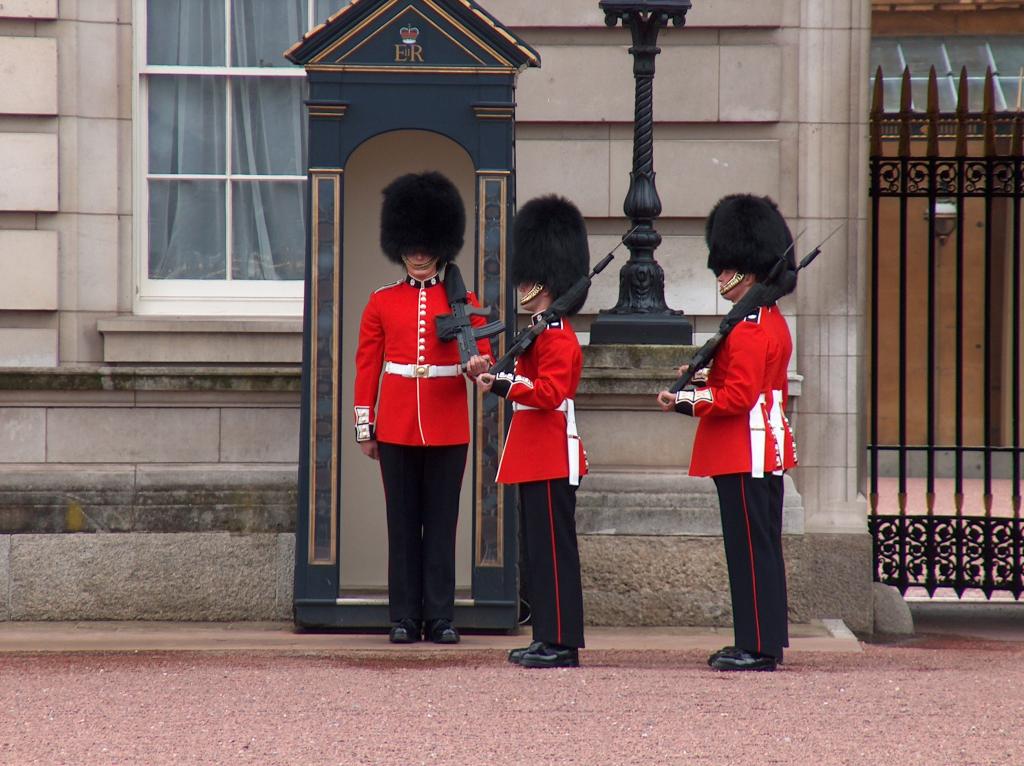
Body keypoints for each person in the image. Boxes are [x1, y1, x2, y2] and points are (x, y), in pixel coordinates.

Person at [657, 193, 799, 672]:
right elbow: (742, 383)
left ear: (748, 268)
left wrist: (684, 401)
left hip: (746, 449)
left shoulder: (751, 328)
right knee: (757, 550)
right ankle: (761, 640)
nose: (719, 276)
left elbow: (737, 398)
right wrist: (701, 378)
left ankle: (757, 647)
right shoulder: (760, 321)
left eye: (725, 268)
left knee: (750, 553)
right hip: (757, 447)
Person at [353, 171, 492, 645]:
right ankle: (404, 617)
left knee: (441, 524)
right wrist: (364, 428)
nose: (417, 253)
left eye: (425, 244)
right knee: (402, 523)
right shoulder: (381, 301)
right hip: (394, 426)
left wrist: (479, 365)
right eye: (410, 244)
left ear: (440, 244)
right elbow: (366, 369)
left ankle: (439, 615)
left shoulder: (463, 301)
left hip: (448, 425)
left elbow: (482, 359)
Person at [474, 195, 589, 669]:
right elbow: (519, 380)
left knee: (553, 554)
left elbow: (547, 392)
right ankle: (547, 635)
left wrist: (501, 382)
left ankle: (560, 642)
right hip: (533, 453)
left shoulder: (558, 336)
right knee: (539, 554)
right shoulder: (539, 332)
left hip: (551, 453)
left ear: (542, 281)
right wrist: (487, 370)